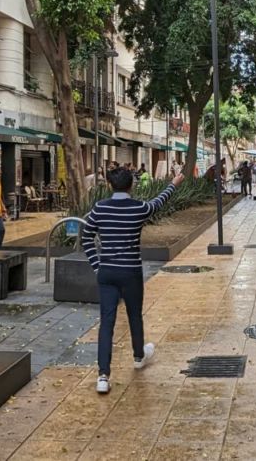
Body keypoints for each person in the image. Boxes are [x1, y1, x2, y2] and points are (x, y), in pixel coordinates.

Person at [82, 168, 185, 394]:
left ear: (110, 185)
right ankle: (138, 356)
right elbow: (158, 202)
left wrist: (97, 266)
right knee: (134, 315)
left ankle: (103, 376)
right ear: (131, 186)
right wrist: (174, 184)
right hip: (131, 271)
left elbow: (86, 237)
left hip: (107, 272)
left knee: (106, 322)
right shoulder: (139, 208)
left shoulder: (100, 208)